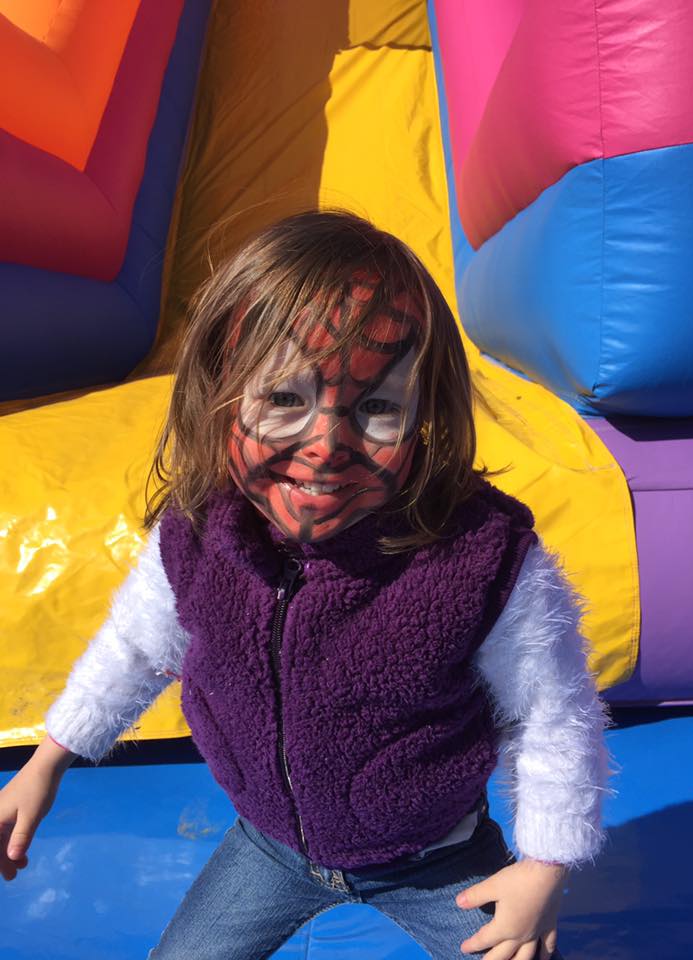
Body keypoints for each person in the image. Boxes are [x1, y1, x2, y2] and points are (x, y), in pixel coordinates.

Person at [0, 211, 609, 959]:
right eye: (284, 399)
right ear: (222, 394)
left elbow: (550, 715)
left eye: (377, 408)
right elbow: (133, 649)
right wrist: (46, 760)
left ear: (423, 416)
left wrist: (544, 863)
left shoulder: (478, 558)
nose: (324, 447)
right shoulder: (200, 533)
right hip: (270, 847)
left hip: (433, 858)